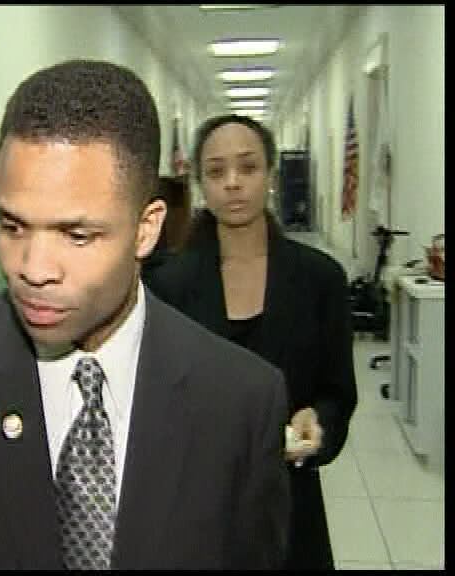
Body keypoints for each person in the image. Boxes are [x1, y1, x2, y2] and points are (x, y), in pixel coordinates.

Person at [0, 60, 290, 570]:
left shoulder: (240, 403)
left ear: (146, 228)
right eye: (13, 226)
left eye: (76, 235)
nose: (33, 269)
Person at [145, 114, 358, 569]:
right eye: (216, 171)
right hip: (198, 507)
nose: (233, 183)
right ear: (201, 183)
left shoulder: (320, 280)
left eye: (248, 167)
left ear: (271, 176)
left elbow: (338, 393)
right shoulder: (166, 287)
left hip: (291, 505)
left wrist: (318, 423)